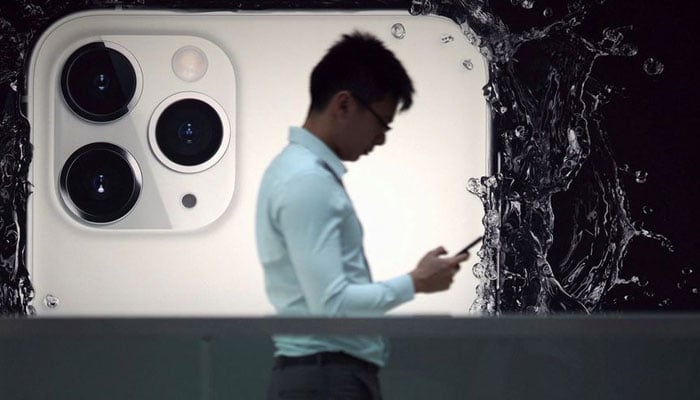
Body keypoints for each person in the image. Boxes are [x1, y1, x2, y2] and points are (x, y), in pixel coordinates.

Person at [255, 31, 470, 400]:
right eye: (381, 123)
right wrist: (416, 282)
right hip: (325, 380)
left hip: (320, 376)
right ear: (344, 105)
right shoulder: (308, 182)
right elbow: (333, 306)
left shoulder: (295, 171)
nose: (382, 138)